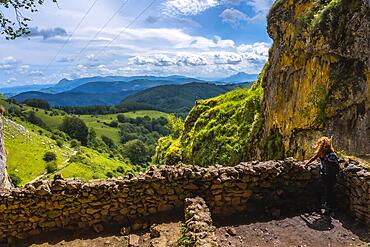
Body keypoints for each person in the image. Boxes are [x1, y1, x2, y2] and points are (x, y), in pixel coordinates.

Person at [306, 137, 339, 213]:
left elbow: (314, 158)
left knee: (326, 190)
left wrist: (306, 164)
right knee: (331, 190)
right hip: (333, 175)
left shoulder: (321, 152)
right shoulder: (331, 151)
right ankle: (331, 206)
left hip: (325, 174)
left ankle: (326, 205)